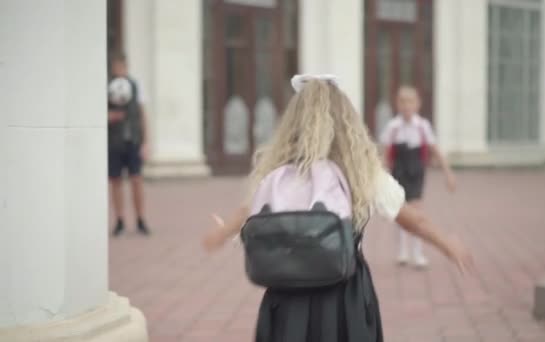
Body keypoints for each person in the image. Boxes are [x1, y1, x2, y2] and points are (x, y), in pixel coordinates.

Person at [202, 75, 474, 342]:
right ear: (347, 124)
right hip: (343, 294)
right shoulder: (361, 172)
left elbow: (247, 213)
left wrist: (220, 233)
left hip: (285, 292)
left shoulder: (278, 173)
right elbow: (412, 219)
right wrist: (446, 243)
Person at [380, 86, 456, 267]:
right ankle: (402, 252)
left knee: (416, 211)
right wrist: (381, 174)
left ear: (418, 104)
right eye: (402, 101)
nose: (407, 106)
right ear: (397, 104)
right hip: (398, 171)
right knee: (399, 210)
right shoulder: (393, 127)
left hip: (416, 171)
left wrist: (448, 173)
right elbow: (384, 153)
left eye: (410, 102)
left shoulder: (422, 126)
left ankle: (417, 253)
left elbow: (435, 150)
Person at [107, 52, 150, 236]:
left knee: (136, 179)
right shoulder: (107, 87)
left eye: (121, 66)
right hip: (114, 143)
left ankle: (140, 220)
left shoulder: (135, 86)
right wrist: (110, 117)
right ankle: (119, 221)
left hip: (133, 140)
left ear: (125, 66)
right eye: (115, 67)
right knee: (115, 181)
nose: (118, 70)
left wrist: (145, 142)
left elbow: (142, 114)